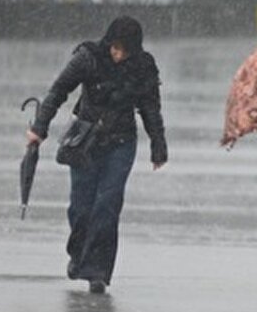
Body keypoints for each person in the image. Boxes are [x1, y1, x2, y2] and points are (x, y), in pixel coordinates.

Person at [25, 16, 167, 294]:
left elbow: (150, 108)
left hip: (121, 143)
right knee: (81, 207)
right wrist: (39, 128)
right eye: (115, 48)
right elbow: (59, 90)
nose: (118, 55)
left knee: (108, 205)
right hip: (85, 141)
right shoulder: (88, 57)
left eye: (124, 50)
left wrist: (158, 145)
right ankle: (79, 255)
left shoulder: (143, 67)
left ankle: (98, 272)